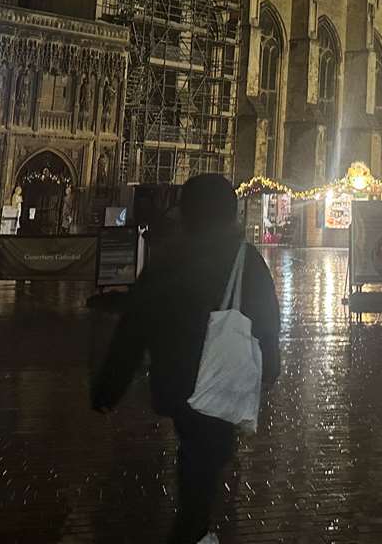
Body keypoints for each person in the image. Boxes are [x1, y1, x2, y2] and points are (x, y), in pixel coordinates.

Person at [92, 174, 281, 544]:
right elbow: (267, 320)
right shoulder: (247, 258)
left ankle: (197, 521)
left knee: (198, 455)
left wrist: (110, 385)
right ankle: (195, 527)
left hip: (178, 377)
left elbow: (135, 325)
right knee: (205, 462)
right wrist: (269, 366)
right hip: (225, 375)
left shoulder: (169, 258)